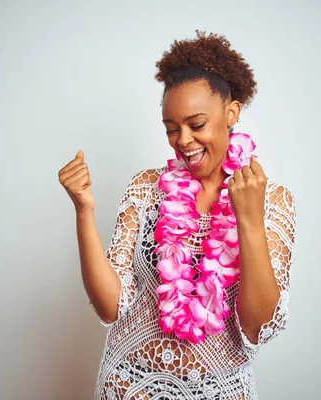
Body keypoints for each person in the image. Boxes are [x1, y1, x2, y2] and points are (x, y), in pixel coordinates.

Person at [58, 31, 297, 400]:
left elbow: (256, 327)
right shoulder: (146, 188)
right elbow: (110, 308)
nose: (183, 140)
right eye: (172, 129)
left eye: (196, 124)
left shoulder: (274, 202)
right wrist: (84, 211)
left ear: (231, 112)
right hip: (128, 386)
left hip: (219, 391)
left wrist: (248, 219)